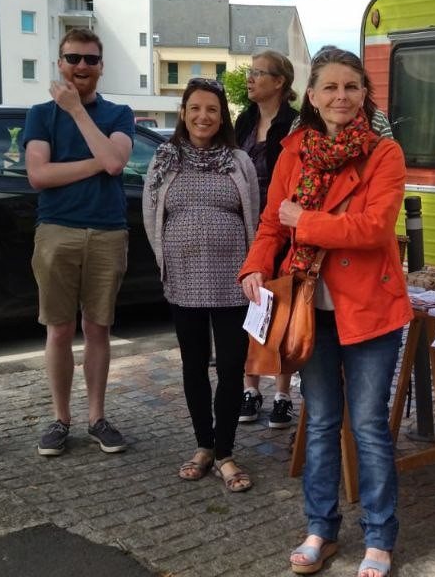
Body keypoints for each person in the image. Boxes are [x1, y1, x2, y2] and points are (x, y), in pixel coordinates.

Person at [240, 46, 413, 577]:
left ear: (364, 96)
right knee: (320, 423)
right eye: (331, 87)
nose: (341, 96)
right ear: (311, 96)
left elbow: (374, 229)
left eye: (352, 87)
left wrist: (306, 220)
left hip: (370, 310)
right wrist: (253, 266)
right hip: (309, 308)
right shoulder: (292, 151)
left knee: (368, 425)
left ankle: (380, 539)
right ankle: (321, 528)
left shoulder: (385, 154)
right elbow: (273, 223)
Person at [23, 27, 135, 457]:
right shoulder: (38, 114)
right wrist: (99, 160)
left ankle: (96, 418)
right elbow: (39, 175)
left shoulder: (119, 113)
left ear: (102, 66)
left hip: (107, 231)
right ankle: (60, 419)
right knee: (59, 329)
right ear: (60, 63)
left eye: (90, 59)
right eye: (73, 59)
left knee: (98, 328)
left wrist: (76, 112)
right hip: (57, 229)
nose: (81, 67)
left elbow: (116, 162)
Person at [144, 78, 260, 492]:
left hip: (233, 279)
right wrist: (165, 260)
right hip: (184, 277)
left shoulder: (239, 161)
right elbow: (151, 212)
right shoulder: (164, 159)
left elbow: (255, 216)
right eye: (195, 108)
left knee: (231, 366)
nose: (202, 116)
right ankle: (203, 446)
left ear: (222, 116)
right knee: (193, 364)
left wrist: (253, 269)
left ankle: (226, 451)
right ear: (183, 112)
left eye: (211, 109)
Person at [235, 50, 300, 429]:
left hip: (280, 229)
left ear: (279, 82)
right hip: (245, 228)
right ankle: (250, 388)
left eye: (259, 73)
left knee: (282, 312)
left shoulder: (293, 125)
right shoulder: (243, 120)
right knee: (250, 312)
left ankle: (282, 394)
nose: (251, 78)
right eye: (251, 72)